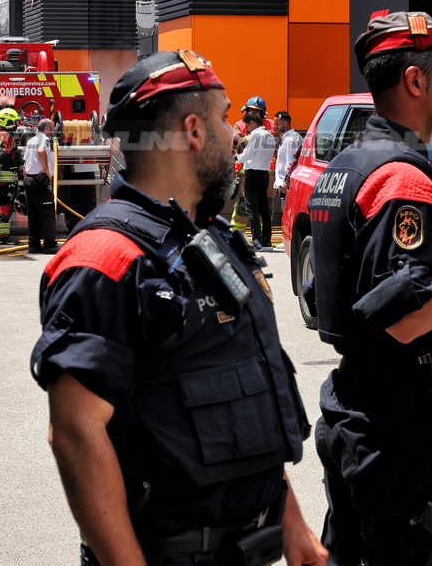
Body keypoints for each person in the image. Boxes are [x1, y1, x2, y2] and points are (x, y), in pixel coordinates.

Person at [31, 49, 325, 566]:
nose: (235, 133)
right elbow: (75, 431)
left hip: (251, 547)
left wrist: (293, 525)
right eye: (225, 117)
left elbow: (243, 402)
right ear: (193, 130)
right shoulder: (105, 258)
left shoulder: (212, 239)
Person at [309, 11, 432, 566]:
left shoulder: (343, 166)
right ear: (415, 82)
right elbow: (405, 317)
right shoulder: (403, 180)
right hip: (400, 430)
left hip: (361, 409)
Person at [236, 112, 276, 252]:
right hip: (264, 174)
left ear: (252, 122)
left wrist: (235, 158)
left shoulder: (256, 135)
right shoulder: (270, 137)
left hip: (252, 175)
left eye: (247, 125)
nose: (246, 128)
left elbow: (247, 155)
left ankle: (257, 242)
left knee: (251, 208)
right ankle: (267, 241)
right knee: (264, 209)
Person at [0, 107, 22, 244]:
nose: (17, 124)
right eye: (14, 121)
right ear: (8, 121)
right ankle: (3, 237)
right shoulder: (8, 136)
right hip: (6, 179)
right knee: (5, 207)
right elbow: (2, 156)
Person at [24, 118, 58, 254]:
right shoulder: (43, 139)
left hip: (30, 180)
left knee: (33, 215)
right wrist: (46, 171)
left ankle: (34, 245)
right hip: (39, 181)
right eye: (53, 127)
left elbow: (25, 162)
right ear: (47, 128)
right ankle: (50, 245)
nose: (55, 129)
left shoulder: (31, 140)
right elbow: (41, 150)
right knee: (47, 213)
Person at [273, 111, 302, 201]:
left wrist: (286, 182)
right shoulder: (288, 138)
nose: (275, 127)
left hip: (286, 185)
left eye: (277, 124)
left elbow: (290, 163)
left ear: (285, 123)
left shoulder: (290, 140)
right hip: (285, 184)